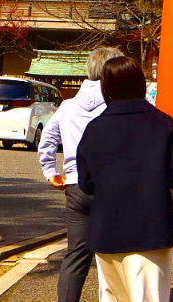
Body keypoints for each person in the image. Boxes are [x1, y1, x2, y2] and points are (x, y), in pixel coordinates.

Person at [75, 56, 173, 302]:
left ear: (106, 87)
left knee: (112, 297)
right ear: (140, 83)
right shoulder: (166, 126)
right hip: (151, 229)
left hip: (106, 229)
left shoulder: (95, 129)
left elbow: (86, 183)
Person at [38, 45, 122, 302]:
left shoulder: (68, 106)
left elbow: (47, 139)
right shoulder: (118, 106)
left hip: (76, 185)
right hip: (111, 186)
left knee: (76, 254)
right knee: (114, 254)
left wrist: (51, 171)